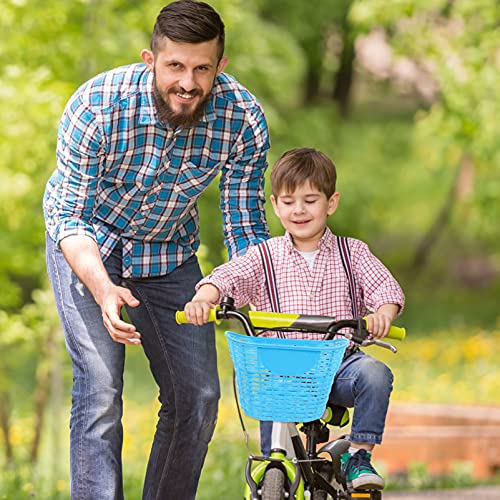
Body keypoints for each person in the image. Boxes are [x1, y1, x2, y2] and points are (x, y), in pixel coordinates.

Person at [43, 1, 270, 498]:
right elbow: (69, 217)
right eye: (175, 66)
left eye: (201, 69)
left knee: (200, 396)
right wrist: (103, 287)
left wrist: (255, 294)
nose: (187, 82)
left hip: (169, 252)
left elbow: (244, 226)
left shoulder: (243, 119)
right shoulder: (97, 105)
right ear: (151, 60)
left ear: (220, 67)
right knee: (101, 390)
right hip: (91, 245)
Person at [183, 147, 405, 492]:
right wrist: (204, 298)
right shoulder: (264, 256)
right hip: (280, 373)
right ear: (275, 205)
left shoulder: (353, 253)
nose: (298, 210)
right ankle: (275, 470)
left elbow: (386, 290)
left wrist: (382, 315)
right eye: (289, 201)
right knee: (272, 423)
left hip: (337, 367)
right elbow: (227, 277)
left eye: (310, 200)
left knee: (375, 373)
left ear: (331, 203)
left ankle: (358, 455)